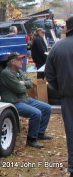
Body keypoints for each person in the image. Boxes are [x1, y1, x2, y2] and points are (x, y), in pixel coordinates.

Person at [0, 52, 52, 148]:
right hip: (14, 102)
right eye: (19, 60)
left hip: (24, 99)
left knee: (47, 108)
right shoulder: (6, 73)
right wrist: (24, 85)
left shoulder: (19, 71)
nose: (22, 62)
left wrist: (22, 83)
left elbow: (31, 83)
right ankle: (31, 139)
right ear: (12, 62)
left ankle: (40, 133)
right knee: (36, 113)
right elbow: (19, 89)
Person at [45, 16, 73, 177]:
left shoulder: (58, 47)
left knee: (71, 132)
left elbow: (49, 75)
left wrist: (61, 89)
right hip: (67, 94)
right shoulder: (58, 47)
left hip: (68, 96)